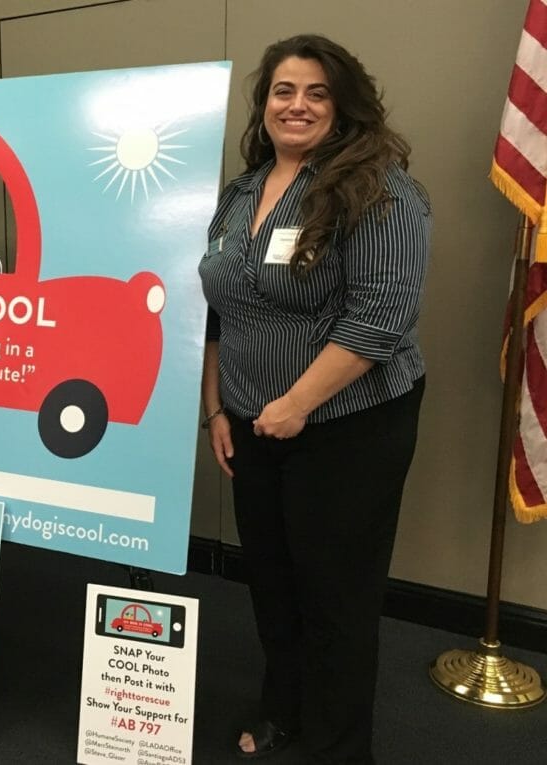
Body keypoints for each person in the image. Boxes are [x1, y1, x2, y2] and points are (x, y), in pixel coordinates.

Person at [198, 35, 430, 763]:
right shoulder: (243, 191)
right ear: (264, 106)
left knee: (335, 598)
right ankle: (283, 710)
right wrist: (217, 410)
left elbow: (379, 321)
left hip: (347, 427)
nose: (296, 105)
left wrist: (295, 403)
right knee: (270, 581)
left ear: (344, 106)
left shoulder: (380, 188)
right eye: (283, 91)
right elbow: (215, 311)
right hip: (252, 421)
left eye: (316, 93)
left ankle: (337, 744)